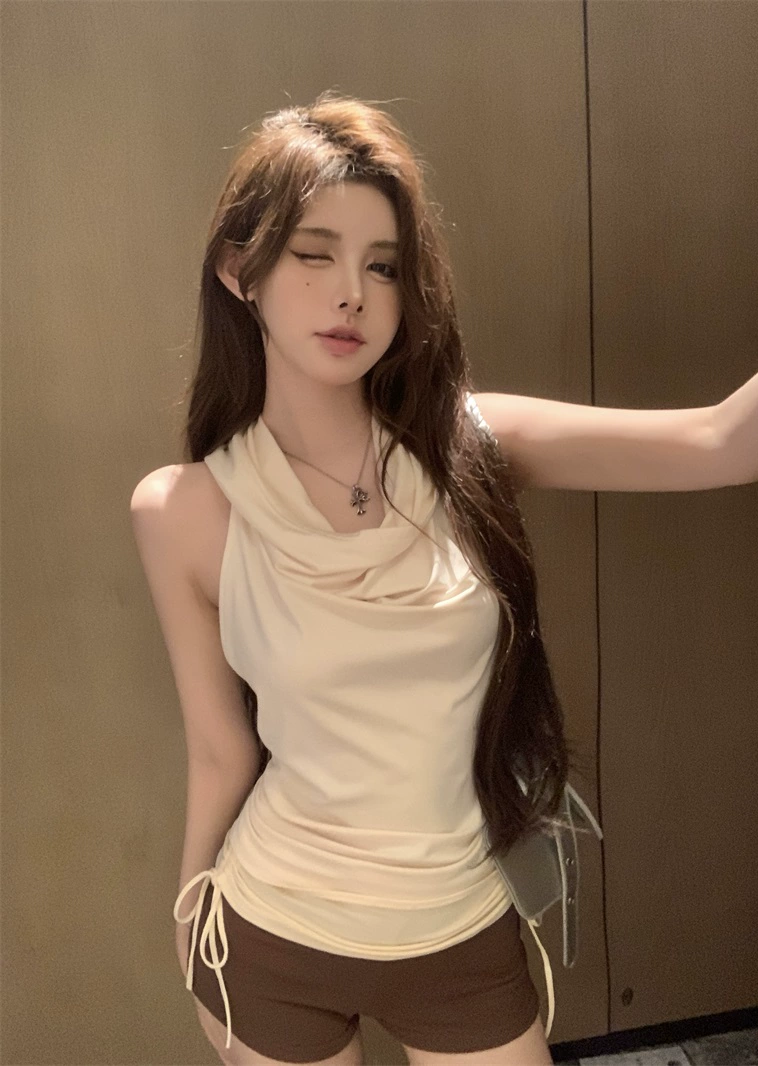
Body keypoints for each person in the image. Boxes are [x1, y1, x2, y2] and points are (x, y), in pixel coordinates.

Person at [130, 91, 576, 1066]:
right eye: (314, 254)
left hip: (457, 930)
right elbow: (220, 749)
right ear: (239, 270)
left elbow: (725, 440)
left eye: (382, 266)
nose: (352, 295)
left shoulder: (470, 450)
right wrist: (190, 906)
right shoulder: (181, 510)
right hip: (269, 934)